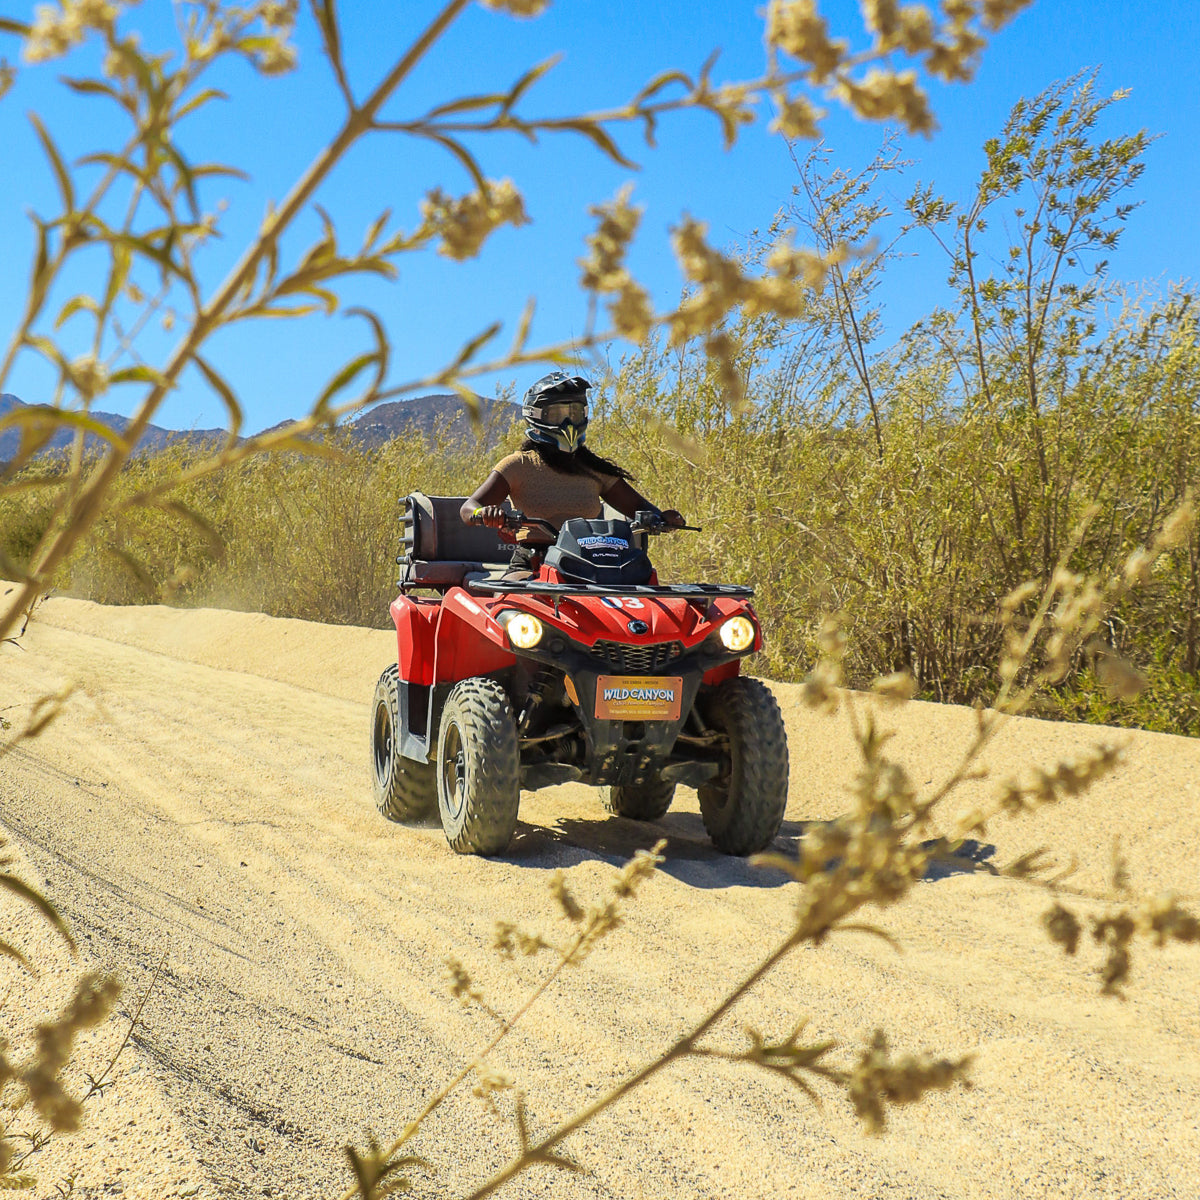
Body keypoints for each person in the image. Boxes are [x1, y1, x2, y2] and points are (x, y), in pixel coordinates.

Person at [461, 372, 685, 578]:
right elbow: (468, 508)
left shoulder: (592, 468)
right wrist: (486, 512)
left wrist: (663, 519)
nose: (568, 423)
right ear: (536, 416)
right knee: (513, 608)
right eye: (558, 414)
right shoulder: (518, 464)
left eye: (575, 413)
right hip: (534, 563)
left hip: (594, 564)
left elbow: (641, 509)